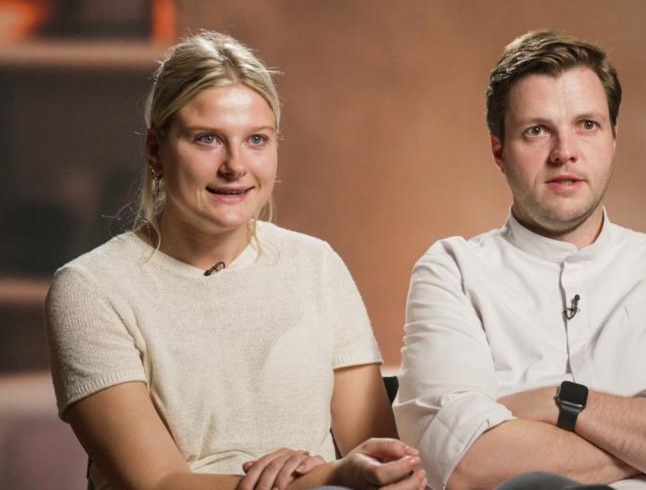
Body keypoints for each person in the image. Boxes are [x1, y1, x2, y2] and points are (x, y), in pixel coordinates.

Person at [394, 30, 646, 489]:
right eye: (537, 130)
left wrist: (561, 402)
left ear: (613, 139)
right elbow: (469, 465)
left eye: (587, 125)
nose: (565, 152)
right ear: (499, 151)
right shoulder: (453, 271)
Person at [45, 31, 426, 490]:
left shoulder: (316, 264)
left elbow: (380, 455)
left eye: (256, 140)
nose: (236, 166)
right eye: (208, 139)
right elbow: (159, 483)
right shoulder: (90, 288)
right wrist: (324, 477)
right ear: (154, 151)